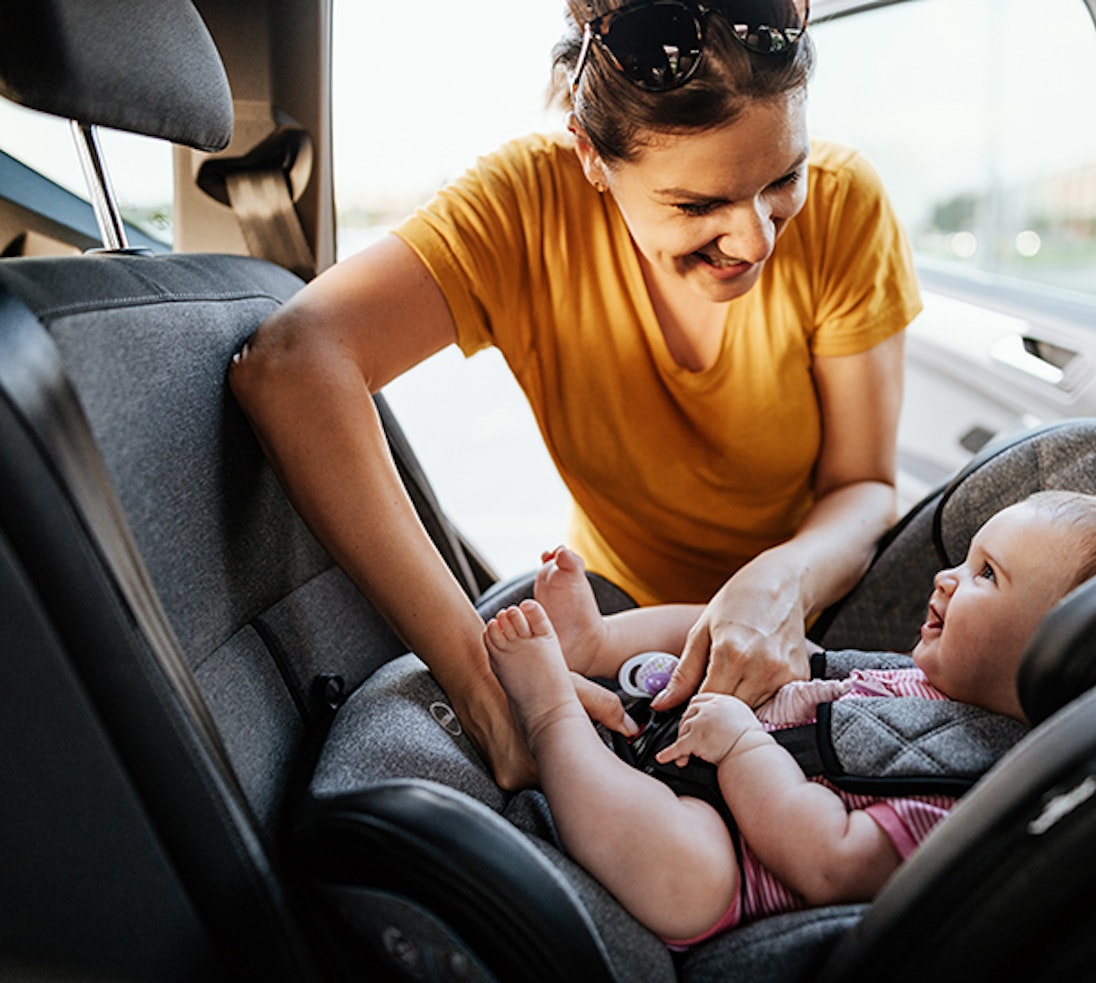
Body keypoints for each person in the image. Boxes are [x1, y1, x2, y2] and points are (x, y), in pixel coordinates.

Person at [228, 0, 922, 789]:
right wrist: (479, 683)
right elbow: (290, 363)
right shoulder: (527, 207)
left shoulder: (847, 204)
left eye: (782, 180)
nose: (757, 238)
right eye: (697, 205)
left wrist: (780, 580)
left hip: (815, 609)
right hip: (618, 622)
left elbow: (863, 487)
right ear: (592, 156)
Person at [483, 491, 1096, 944]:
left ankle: (547, 716)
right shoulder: (924, 682)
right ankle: (598, 643)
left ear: (1052, 658)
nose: (946, 578)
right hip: (715, 732)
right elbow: (817, 679)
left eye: (986, 576)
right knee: (778, 640)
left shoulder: (976, 792)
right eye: (967, 560)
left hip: (738, 859)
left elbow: (832, 859)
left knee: (688, 878)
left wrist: (743, 750)